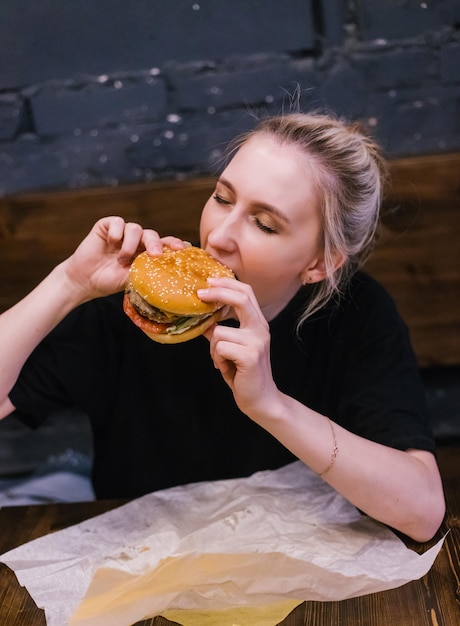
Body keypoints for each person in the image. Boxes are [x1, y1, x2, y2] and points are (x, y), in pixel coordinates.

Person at [0, 112, 445, 542]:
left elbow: (422, 513)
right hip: (138, 559)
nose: (217, 236)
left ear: (319, 263)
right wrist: (69, 283)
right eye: (222, 198)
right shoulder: (136, 302)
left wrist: (271, 405)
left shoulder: (358, 315)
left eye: (264, 224)